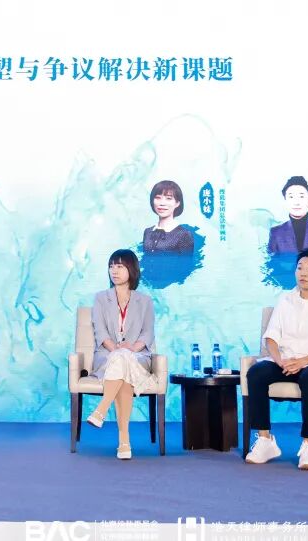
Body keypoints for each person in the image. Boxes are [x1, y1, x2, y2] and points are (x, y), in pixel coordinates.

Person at [245, 248, 308, 470]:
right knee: (256, 372)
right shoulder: (285, 300)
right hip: (286, 363)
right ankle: (265, 440)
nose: (303, 273)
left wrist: (305, 360)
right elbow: (271, 338)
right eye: (300, 268)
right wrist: (279, 360)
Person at [85, 249, 157, 460]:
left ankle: (101, 411)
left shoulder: (145, 301)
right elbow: (100, 331)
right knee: (120, 362)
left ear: (131, 269)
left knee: (123, 359)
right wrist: (117, 349)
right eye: (111, 266)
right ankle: (124, 441)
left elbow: (148, 333)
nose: (114, 271)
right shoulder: (101, 298)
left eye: (119, 266)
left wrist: (131, 349)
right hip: (107, 356)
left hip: (137, 356)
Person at [267, 176, 308, 257]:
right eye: (291, 197)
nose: (296, 202)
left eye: (301, 196)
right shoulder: (275, 233)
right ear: (285, 202)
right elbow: (271, 261)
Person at [142, 180, 194, 255]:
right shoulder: (148, 232)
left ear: (177, 203)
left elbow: (187, 261)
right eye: (158, 198)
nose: (162, 203)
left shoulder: (184, 235)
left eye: (168, 198)